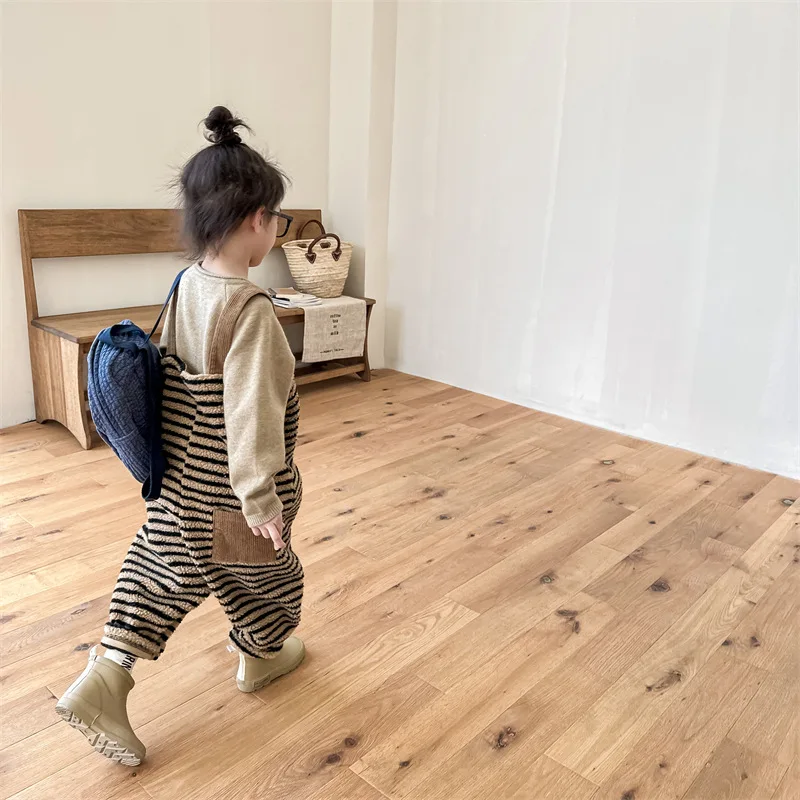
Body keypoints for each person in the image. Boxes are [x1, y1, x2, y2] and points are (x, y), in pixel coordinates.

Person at [55, 107, 305, 766]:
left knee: (159, 571)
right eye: (277, 221)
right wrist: (260, 500)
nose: (275, 231)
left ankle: (106, 674)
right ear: (257, 220)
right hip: (229, 494)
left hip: (177, 482)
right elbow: (251, 417)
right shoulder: (252, 312)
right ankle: (262, 656)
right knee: (268, 582)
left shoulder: (185, 286)